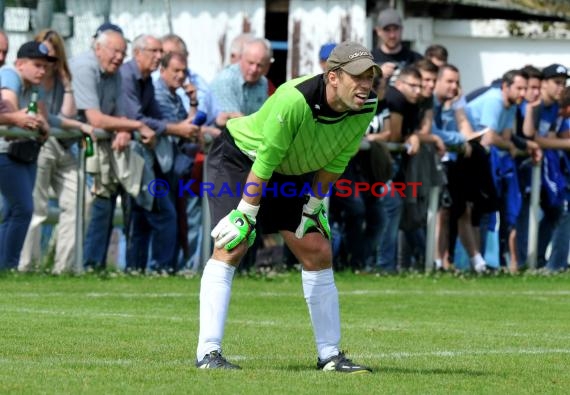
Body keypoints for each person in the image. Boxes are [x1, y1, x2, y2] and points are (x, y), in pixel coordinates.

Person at [195, 41, 378, 372]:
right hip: (243, 158)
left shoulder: (366, 105)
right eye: (357, 76)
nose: (365, 85)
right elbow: (266, 159)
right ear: (332, 76)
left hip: (291, 170)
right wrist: (246, 214)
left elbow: (339, 157)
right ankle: (208, 354)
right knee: (233, 243)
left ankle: (330, 356)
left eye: (370, 77)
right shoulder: (294, 98)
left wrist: (314, 206)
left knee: (317, 249)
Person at [71, 26, 156, 271]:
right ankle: (83, 265)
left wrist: (124, 129)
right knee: (96, 206)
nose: (119, 57)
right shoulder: (85, 67)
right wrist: (136, 125)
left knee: (104, 205)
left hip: (101, 147)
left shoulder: (115, 71)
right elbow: (96, 119)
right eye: (115, 51)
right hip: (75, 147)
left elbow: (118, 114)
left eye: (123, 52)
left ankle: (94, 266)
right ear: (98, 48)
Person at [119, 34, 200, 274]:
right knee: (163, 215)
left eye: (159, 52)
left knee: (144, 217)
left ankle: (137, 268)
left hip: (155, 160)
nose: (158, 56)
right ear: (138, 53)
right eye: (154, 52)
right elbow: (141, 119)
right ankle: (160, 268)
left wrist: (191, 104)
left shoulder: (146, 82)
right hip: (142, 158)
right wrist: (175, 128)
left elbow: (157, 121)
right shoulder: (133, 78)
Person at [17, 29, 96, 274]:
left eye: (51, 58)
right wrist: (77, 125)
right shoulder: (31, 82)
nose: (45, 64)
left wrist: (67, 83)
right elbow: (45, 118)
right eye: (40, 58)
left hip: (63, 145)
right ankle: (26, 266)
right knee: (37, 207)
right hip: (41, 145)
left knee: (81, 201)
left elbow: (67, 114)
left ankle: (64, 267)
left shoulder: (61, 81)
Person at [0, 41, 52, 270]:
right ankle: (9, 266)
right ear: (20, 64)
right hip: (6, 152)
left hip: (23, 154)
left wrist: (41, 123)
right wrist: (29, 120)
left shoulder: (33, 86)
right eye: (37, 65)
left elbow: (41, 118)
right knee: (23, 209)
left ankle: (4, 267)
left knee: (14, 211)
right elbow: (10, 110)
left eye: (45, 66)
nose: (42, 70)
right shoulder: (10, 75)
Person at [210, 37, 271, 120]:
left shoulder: (263, 82)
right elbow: (234, 123)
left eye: (259, 65)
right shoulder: (225, 81)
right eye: (251, 63)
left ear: (267, 66)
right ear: (241, 58)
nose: (254, 69)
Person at [372, 8, 422, 83]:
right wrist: (377, 74)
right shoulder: (369, 60)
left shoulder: (415, 59)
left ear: (402, 29)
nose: (392, 35)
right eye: (387, 30)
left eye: (395, 29)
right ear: (378, 31)